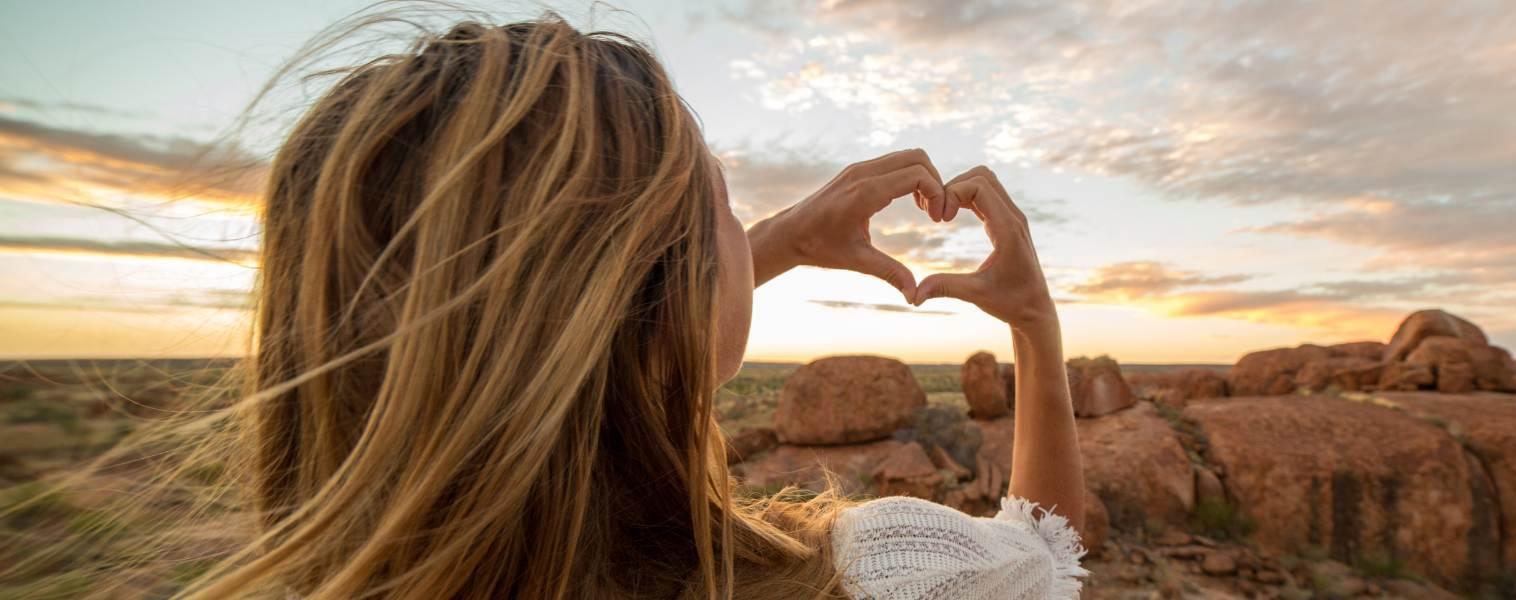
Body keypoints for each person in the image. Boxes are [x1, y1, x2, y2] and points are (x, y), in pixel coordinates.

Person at [96, 15, 1086, 600]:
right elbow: (1046, 552)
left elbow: (595, 349)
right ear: (672, 299)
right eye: (726, 206)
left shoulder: (348, 574)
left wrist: (768, 242)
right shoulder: (872, 572)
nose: (748, 230)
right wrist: (1034, 323)